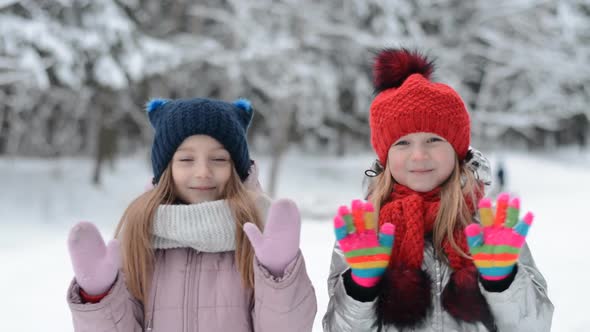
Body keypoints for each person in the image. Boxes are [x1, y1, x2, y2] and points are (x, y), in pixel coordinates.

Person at [323, 49, 553, 331]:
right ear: (385, 156)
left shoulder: (489, 228)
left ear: (457, 150)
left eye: (433, 139)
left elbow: (536, 326)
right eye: (402, 143)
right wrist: (360, 288)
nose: (419, 155)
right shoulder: (364, 232)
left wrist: (503, 280)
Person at [66, 97, 317, 331]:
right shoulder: (138, 233)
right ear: (165, 169)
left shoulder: (259, 233)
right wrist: (99, 298)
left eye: (219, 159)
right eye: (186, 160)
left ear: (237, 169)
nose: (203, 172)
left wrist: (278, 277)